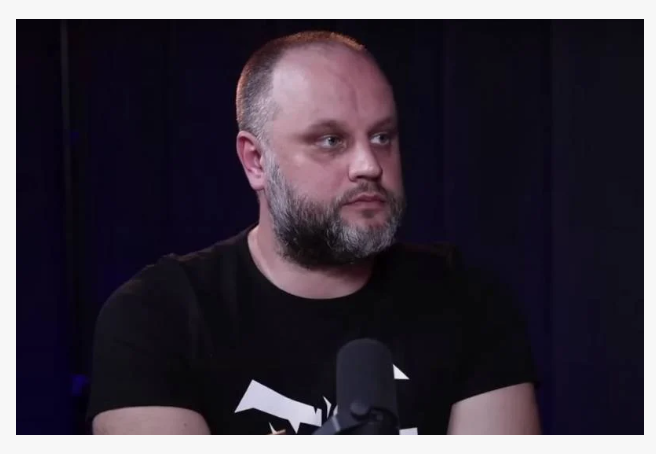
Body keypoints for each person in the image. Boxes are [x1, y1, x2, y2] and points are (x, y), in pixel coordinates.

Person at [86, 30, 541, 435]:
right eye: (331, 140)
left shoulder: (467, 301)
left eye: (382, 137)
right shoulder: (156, 317)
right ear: (256, 161)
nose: (369, 165)